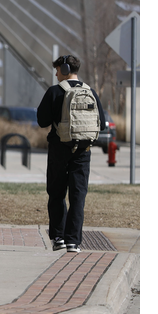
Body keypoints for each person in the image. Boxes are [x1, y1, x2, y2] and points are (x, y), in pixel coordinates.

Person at [37, 55, 105, 253]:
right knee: (78, 195)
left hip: (60, 148)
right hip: (83, 150)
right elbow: (99, 120)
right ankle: (73, 241)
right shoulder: (89, 91)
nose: (56, 74)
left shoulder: (54, 91)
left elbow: (42, 121)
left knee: (57, 193)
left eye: (57, 70)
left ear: (64, 69)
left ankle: (58, 237)